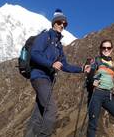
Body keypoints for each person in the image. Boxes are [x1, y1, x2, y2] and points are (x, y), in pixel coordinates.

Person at [25, 9, 89, 137]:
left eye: (64, 24)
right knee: (51, 109)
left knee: (39, 112)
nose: (62, 25)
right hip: (39, 76)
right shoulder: (46, 36)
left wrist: (82, 69)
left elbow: (64, 65)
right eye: (60, 22)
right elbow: (34, 54)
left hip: (47, 80)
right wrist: (51, 64)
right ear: (54, 23)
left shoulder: (59, 46)